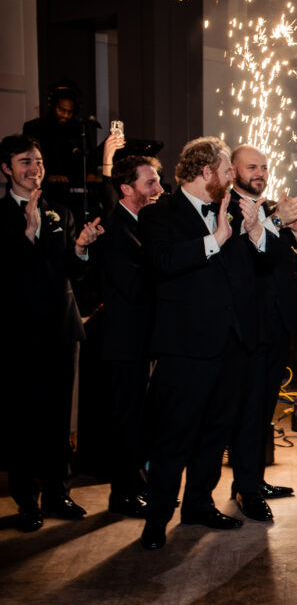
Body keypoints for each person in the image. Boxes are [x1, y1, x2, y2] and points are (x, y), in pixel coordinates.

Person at [137, 136, 266, 550]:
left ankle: (197, 504)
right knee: (174, 436)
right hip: (185, 346)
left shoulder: (229, 211)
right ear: (206, 172)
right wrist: (216, 239)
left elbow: (257, 270)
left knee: (215, 432)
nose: (233, 178)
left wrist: (254, 231)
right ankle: (156, 518)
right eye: (228, 171)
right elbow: (162, 263)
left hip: (229, 345)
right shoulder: (161, 215)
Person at [0, 134, 102, 532]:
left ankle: (59, 493)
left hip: (60, 327)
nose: (34, 168)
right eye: (24, 161)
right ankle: (27, 501)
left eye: (38, 161)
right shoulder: (1, 216)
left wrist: (80, 248)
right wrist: (26, 234)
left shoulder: (61, 211)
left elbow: (72, 272)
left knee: (59, 417)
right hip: (17, 333)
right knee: (22, 418)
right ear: (7, 168)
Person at [226, 145, 297, 521]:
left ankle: (253, 481)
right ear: (233, 170)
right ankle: (245, 488)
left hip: (279, 323)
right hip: (246, 327)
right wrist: (276, 222)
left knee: (263, 410)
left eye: (263, 167)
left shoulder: (276, 207)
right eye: (252, 167)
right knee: (247, 409)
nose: (259, 173)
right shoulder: (225, 208)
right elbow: (244, 255)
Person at [91, 154, 163, 518]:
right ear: (126, 188)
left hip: (145, 339)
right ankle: (122, 494)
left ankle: (141, 485)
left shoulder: (144, 222)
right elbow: (134, 287)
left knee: (143, 419)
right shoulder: (114, 228)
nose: (159, 189)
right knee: (126, 420)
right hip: (124, 341)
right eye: (150, 183)